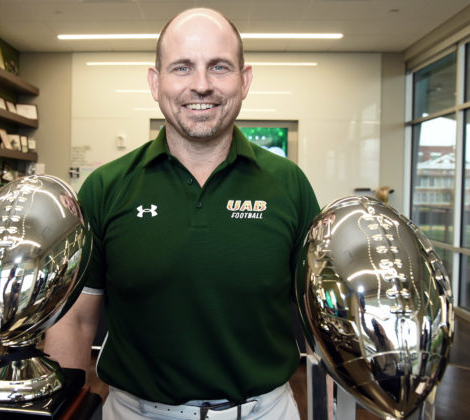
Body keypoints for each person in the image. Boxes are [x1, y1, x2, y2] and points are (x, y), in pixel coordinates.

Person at [44, 7, 320, 419]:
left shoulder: (289, 185)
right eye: (182, 67)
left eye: (219, 67)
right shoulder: (105, 188)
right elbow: (76, 321)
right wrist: (62, 412)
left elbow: (320, 322)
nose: (202, 85)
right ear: (156, 82)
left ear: (244, 80)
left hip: (264, 412)